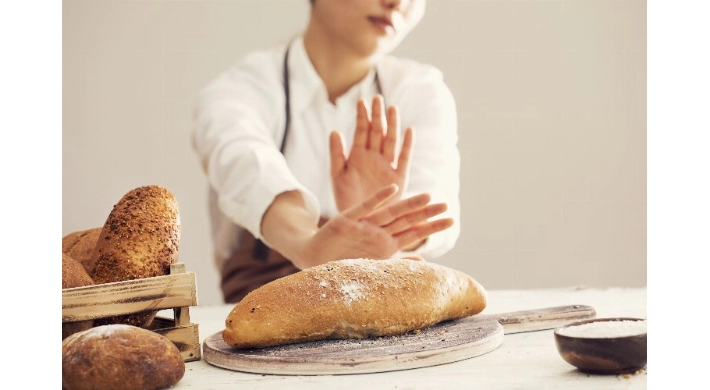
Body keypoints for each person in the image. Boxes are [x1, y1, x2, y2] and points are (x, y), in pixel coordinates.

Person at [192, 0, 461, 303]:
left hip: (375, 305)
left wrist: (379, 234)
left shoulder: (420, 90)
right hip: (263, 312)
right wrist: (308, 244)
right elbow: (247, 169)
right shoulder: (238, 91)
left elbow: (435, 204)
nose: (397, 3)